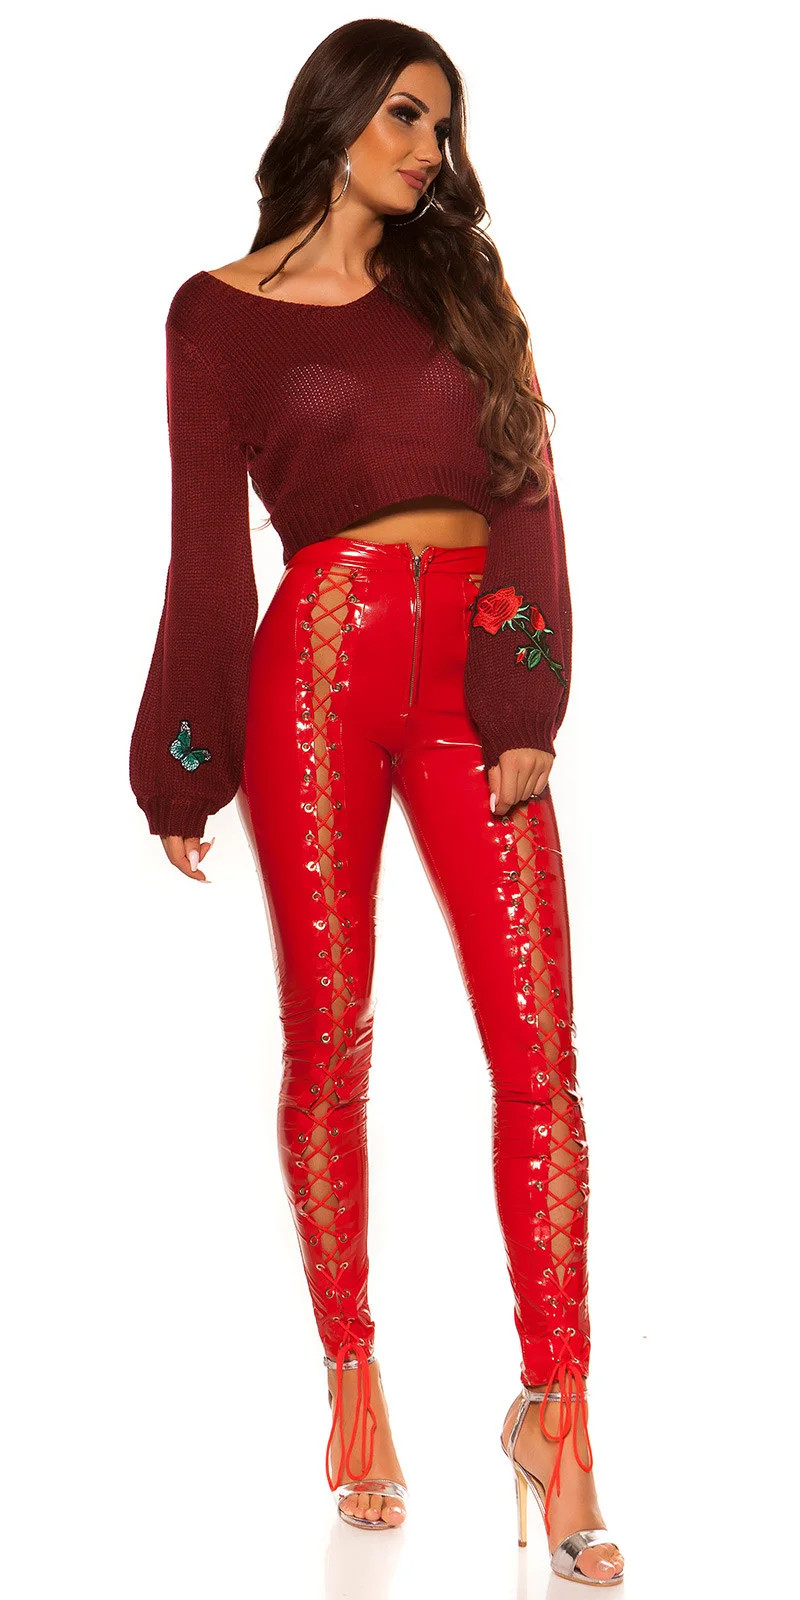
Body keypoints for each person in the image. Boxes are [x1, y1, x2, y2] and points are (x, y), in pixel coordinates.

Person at [128, 18, 624, 1585]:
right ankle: (355, 1385)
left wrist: (526, 702)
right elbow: (205, 549)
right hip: (319, 671)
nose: (430, 149)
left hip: (473, 668)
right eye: (407, 115)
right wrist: (185, 758)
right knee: (330, 1037)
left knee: (538, 1050)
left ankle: (559, 1414)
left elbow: (528, 488)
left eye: (444, 127)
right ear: (336, 114)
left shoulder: (464, 285)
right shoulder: (213, 316)